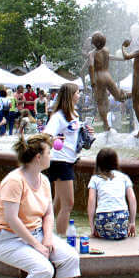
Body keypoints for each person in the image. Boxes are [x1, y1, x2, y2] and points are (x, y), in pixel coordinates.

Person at [0, 133, 80, 278]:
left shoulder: (44, 181)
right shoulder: (13, 181)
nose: (52, 155)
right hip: (7, 238)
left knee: (71, 258)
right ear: (38, 157)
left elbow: (48, 213)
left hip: (37, 233)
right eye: (49, 152)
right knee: (44, 269)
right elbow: (12, 219)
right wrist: (37, 245)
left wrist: (47, 238)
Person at [43, 83, 95, 235]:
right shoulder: (58, 116)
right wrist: (56, 142)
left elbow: (73, 132)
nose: (80, 95)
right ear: (70, 95)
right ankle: (61, 238)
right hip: (60, 162)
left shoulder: (73, 114)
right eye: (78, 92)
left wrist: (85, 130)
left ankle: (43, 229)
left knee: (59, 202)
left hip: (70, 161)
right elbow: (47, 135)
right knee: (68, 204)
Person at [87, 148, 137, 240]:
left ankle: (100, 232)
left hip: (103, 222)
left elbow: (91, 201)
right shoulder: (124, 177)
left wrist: (92, 226)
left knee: (102, 230)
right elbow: (132, 199)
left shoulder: (95, 178)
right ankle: (120, 233)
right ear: (116, 161)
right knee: (120, 231)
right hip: (121, 222)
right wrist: (132, 222)